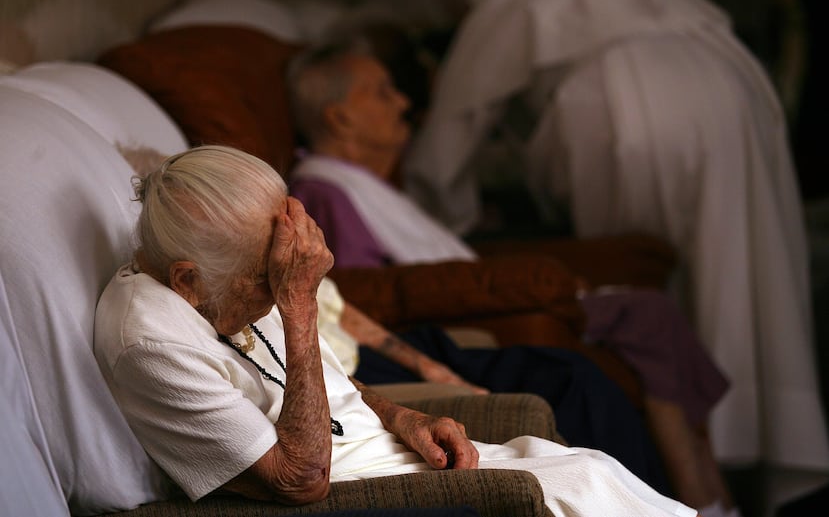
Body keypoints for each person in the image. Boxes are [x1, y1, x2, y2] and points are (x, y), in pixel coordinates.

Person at [93, 144, 699, 516]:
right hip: (359, 495)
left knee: (591, 467)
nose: (280, 293)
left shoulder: (224, 280)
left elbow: (330, 389)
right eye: (268, 281)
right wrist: (299, 303)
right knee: (583, 485)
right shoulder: (151, 342)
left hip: (392, 461)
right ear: (187, 282)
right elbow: (299, 482)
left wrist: (405, 419)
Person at [400, 0, 829, 473]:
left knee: (654, 270)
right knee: (742, 263)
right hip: (733, 89)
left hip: (634, 103)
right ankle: (750, 442)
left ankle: (713, 447)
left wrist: (441, 212)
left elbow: (455, 123)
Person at [286, 42, 736, 517]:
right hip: (388, 348)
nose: (401, 102)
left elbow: (338, 302)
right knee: (579, 375)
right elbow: (364, 291)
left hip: (406, 347)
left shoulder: (366, 186)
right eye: (381, 93)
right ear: (340, 119)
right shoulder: (321, 193)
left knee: (590, 365)